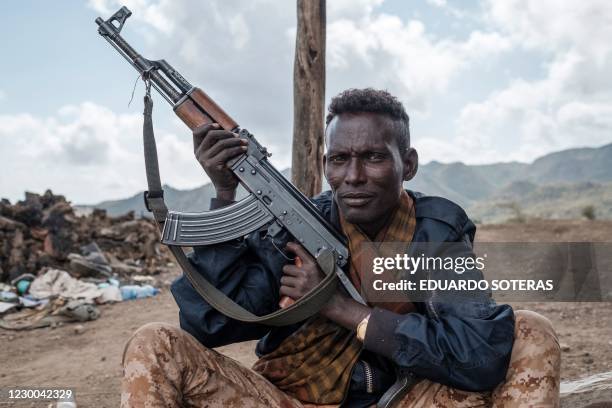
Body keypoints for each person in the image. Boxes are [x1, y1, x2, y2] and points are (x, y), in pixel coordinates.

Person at [121, 89, 561, 407]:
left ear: (407, 164)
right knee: (154, 343)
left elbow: (478, 356)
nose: (353, 176)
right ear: (325, 164)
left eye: (373, 157)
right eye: (339, 159)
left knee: (529, 331)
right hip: (285, 400)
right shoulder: (296, 225)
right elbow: (211, 325)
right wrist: (224, 194)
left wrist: (341, 307)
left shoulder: (434, 230)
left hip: (401, 400)